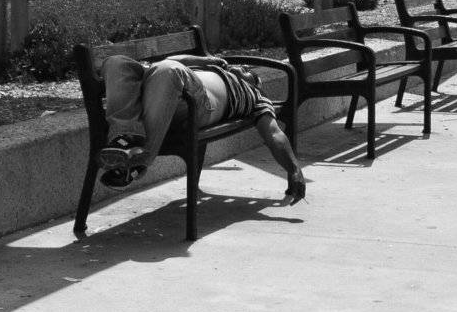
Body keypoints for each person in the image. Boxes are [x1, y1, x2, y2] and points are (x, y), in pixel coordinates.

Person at [97, 52, 306, 203]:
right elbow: (174, 60)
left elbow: (274, 133)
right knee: (116, 63)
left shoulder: (256, 98)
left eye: (248, 72)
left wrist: (294, 169)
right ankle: (122, 142)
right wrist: (207, 60)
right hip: (159, 93)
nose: (241, 68)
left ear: (255, 84)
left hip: (198, 107)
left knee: (167, 70)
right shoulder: (211, 67)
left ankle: (144, 158)